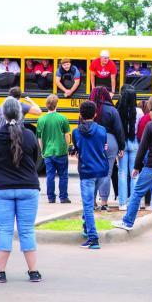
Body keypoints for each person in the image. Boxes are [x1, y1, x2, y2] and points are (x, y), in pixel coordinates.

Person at [0, 98, 42, 283]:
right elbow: (35, 160)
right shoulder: (30, 135)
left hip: (1, 189)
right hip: (28, 187)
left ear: (2, 114)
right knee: (27, 231)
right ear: (20, 113)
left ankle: (1, 272)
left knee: (5, 230)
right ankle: (34, 272)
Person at [112, 97, 152, 242]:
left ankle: (128, 222)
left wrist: (136, 166)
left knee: (137, 194)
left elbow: (142, 148)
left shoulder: (151, 126)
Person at [72, 101, 109, 250]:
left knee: (87, 205)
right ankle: (86, 227)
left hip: (86, 171)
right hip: (101, 170)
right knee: (91, 199)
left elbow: (77, 149)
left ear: (80, 114)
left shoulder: (76, 132)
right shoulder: (102, 130)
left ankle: (93, 238)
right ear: (95, 114)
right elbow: (103, 146)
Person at [89, 87, 125, 211]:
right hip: (110, 140)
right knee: (107, 173)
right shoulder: (112, 110)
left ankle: (92, 201)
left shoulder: (89, 108)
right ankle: (104, 203)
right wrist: (121, 146)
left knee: (92, 172)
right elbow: (119, 130)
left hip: (92, 141)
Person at [37, 94, 71, 204]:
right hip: (60, 151)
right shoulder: (63, 118)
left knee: (50, 175)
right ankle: (63, 197)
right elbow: (67, 135)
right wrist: (66, 148)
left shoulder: (41, 120)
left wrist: (43, 150)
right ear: (56, 104)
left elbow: (39, 138)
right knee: (63, 175)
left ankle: (51, 198)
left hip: (48, 152)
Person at [116, 85, 144, 210]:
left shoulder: (118, 111)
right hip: (135, 143)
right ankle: (134, 203)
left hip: (122, 143)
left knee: (122, 173)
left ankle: (122, 203)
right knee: (134, 173)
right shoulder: (139, 111)